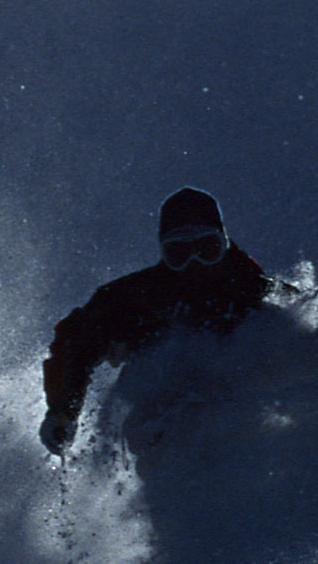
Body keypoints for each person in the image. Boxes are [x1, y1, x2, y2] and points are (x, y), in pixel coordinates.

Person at [40, 188, 279, 454]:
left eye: (207, 249)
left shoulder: (255, 292)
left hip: (247, 417)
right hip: (162, 424)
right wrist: (63, 411)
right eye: (179, 253)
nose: (195, 263)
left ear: (224, 243)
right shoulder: (139, 299)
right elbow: (75, 343)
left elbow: (308, 321)